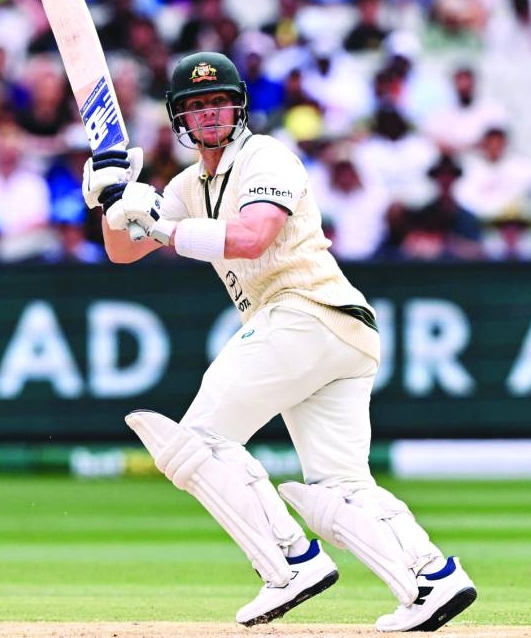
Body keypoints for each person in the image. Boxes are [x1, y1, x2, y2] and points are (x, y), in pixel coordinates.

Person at [81, 51, 477, 631]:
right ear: (179, 119)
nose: (209, 114)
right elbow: (121, 252)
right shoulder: (190, 185)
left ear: (238, 106)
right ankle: (430, 581)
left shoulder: (267, 155)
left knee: (197, 442)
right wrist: (113, 200)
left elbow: (250, 236)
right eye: (195, 106)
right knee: (339, 484)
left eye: (218, 101)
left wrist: (160, 226)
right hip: (334, 334)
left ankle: (291, 563)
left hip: (306, 312)